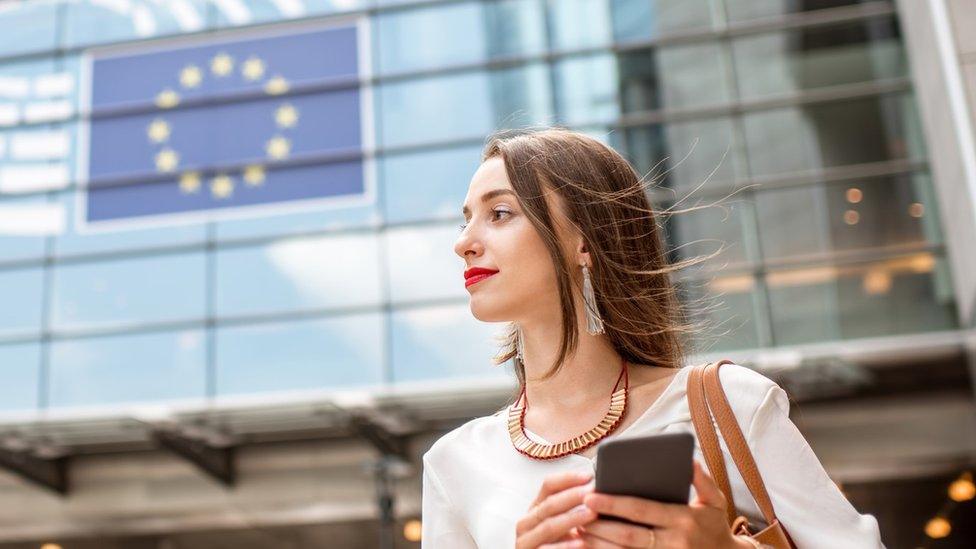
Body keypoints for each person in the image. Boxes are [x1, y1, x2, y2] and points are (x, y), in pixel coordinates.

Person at [421, 127, 885, 548]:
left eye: (499, 213)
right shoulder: (454, 464)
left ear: (585, 241)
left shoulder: (728, 402)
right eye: (466, 220)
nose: (464, 242)